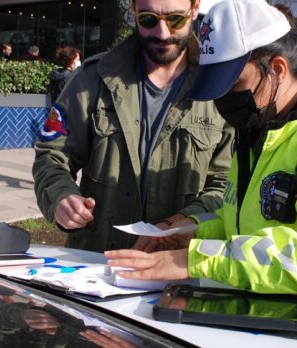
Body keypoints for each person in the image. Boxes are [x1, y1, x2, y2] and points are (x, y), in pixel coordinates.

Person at [105, 1, 297, 347]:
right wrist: (188, 235)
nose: (225, 102)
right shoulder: (257, 132)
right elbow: (241, 223)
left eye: (235, 85)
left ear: (278, 69)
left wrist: (194, 259)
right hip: (272, 326)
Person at [32, 0, 233, 253]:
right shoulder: (93, 79)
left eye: (175, 19)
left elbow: (226, 184)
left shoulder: (219, 87)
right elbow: (51, 156)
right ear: (134, 12)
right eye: (148, 19)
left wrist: (179, 225)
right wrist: (61, 198)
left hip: (180, 269)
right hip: (97, 264)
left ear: (194, 9)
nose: (162, 33)